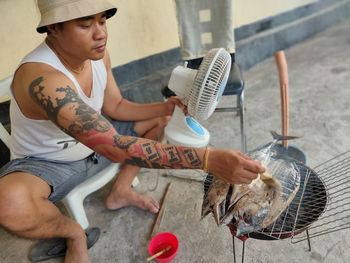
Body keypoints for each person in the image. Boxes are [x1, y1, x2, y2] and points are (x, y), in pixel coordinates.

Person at [0, 0, 264, 262]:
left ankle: (120, 190)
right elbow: (112, 146)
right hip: (49, 162)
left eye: (102, 20)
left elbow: (115, 106)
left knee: (160, 123)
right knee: (8, 203)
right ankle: (74, 235)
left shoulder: (97, 55)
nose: (100, 33)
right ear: (53, 28)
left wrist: (165, 109)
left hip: (97, 145)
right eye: (85, 24)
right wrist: (208, 159)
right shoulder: (42, 79)